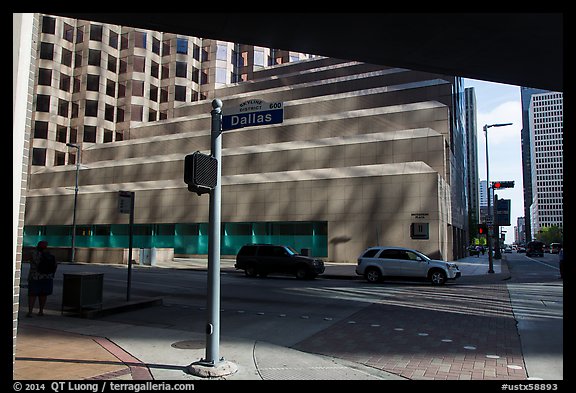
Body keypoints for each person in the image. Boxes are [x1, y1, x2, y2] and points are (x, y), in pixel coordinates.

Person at [27, 240, 57, 317]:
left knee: (32, 294)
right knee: (43, 294)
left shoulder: (33, 253)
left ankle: (30, 312)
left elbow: (29, 259)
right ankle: (41, 311)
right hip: (47, 276)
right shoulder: (50, 254)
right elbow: (55, 265)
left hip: (35, 276)